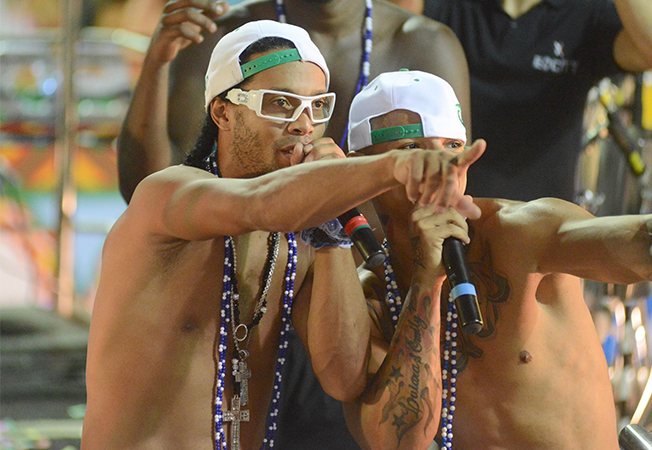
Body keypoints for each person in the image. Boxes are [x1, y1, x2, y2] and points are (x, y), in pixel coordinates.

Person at [81, 23, 484, 450]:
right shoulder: (167, 194)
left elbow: (343, 377)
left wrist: (333, 235)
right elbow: (257, 204)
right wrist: (395, 166)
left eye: (316, 107)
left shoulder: (299, 241)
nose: (303, 124)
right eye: (280, 104)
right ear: (223, 112)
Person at [342, 70, 652, 450]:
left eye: (450, 147)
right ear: (358, 167)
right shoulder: (369, 296)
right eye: (412, 150)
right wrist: (427, 281)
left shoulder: (520, 233)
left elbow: (649, 244)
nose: (440, 167)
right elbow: (395, 441)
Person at [116, 0, 472, 202]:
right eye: (280, 102)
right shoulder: (223, 37)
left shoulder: (426, 43)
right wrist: (157, 62)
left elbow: (454, 182)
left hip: (375, 287)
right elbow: (145, 189)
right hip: (244, 286)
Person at [420, 0, 652, 202]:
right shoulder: (449, 5)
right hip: (446, 218)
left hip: (542, 236)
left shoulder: (584, 11)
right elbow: (393, 28)